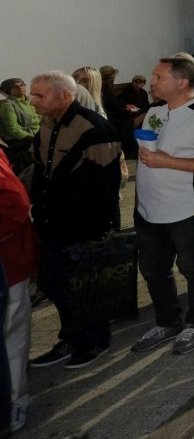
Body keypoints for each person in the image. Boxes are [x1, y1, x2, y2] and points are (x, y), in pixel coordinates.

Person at [132, 57, 194, 356]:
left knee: (193, 268)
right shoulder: (156, 111)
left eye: (158, 76)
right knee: (153, 269)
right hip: (149, 208)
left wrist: (166, 161)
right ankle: (167, 321)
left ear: (182, 82)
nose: (152, 81)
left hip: (187, 208)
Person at [26, 71, 121, 368]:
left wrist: (101, 230)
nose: (33, 100)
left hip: (83, 227)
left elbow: (107, 184)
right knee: (56, 283)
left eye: (39, 95)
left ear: (64, 96)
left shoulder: (95, 129)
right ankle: (71, 336)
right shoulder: (48, 124)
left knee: (86, 287)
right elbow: (41, 170)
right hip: (51, 224)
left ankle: (95, 340)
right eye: (33, 94)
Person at [0, 150, 35, 432]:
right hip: (10, 259)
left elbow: (15, 205)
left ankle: (15, 402)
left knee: (12, 332)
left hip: (9, 262)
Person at [0, 79, 38, 174]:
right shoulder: (7, 105)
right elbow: (13, 128)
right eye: (15, 86)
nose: (19, 88)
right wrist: (33, 138)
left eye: (22, 85)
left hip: (37, 141)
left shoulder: (31, 102)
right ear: (8, 90)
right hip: (20, 144)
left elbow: (40, 121)